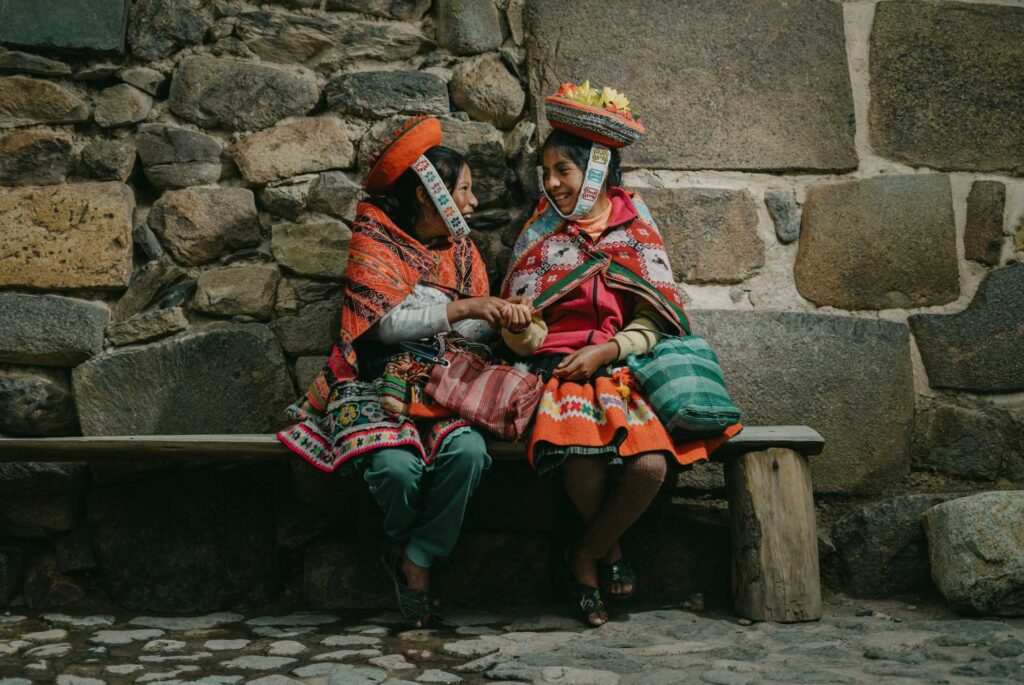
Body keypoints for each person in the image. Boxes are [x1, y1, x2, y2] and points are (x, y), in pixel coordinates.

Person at [499, 82, 742, 627]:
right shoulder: (541, 230)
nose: (553, 184)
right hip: (556, 371)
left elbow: (658, 314)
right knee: (581, 457)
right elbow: (528, 326)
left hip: (622, 368)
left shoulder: (635, 227)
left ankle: (587, 549)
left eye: (563, 171)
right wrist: (519, 330)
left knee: (650, 467)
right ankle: (600, 561)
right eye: (547, 174)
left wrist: (608, 348)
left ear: (597, 168)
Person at [277, 115, 530, 627]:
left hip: (447, 384)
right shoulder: (374, 237)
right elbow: (380, 324)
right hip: (376, 382)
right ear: (426, 195)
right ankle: (403, 541)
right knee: (395, 470)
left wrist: (506, 322)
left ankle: (416, 557)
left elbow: (475, 333)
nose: (474, 204)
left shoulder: (462, 252)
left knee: (468, 453)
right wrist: (464, 309)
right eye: (464, 191)